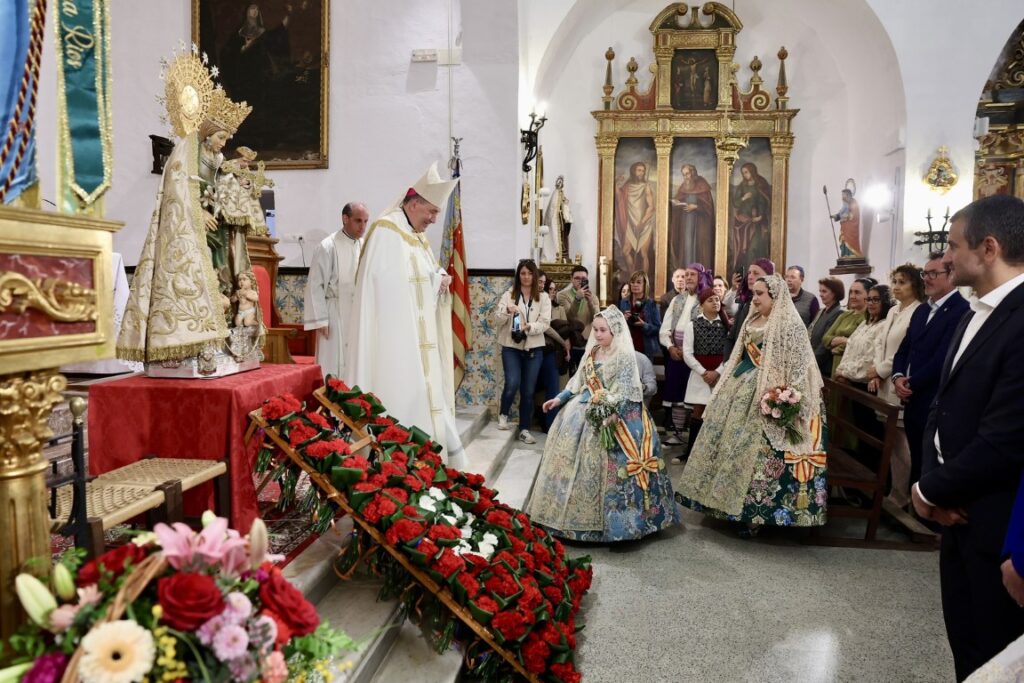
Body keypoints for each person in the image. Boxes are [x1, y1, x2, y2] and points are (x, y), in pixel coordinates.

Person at [910, 196, 1024, 680]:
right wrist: (933, 490)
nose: (945, 257)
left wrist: (925, 491)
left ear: (990, 247)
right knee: (966, 645)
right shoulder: (971, 311)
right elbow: (943, 408)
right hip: (954, 515)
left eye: (954, 246)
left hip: (995, 522)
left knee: (993, 653)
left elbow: (1006, 439)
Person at [118, 61, 265, 374]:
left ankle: (225, 337)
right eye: (222, 137)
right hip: (193, 227)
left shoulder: (217, 157)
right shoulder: (186, 152)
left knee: (224, 273)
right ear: (209, 131)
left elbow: (221, 183)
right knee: (202, 276)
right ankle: (197, 343)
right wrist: (197, 211)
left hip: (217, 224)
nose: (224, 143)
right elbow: (177, 188)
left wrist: (239, 184)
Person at [675, 274, 827, 536]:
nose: (754, 299)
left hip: (769, 390)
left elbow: (801, 365)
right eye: (754, 293)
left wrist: (785, 396)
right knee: (727, 442)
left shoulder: (789, 324)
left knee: (752, 448)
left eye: (760, 294)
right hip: (740, 386)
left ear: (775, 296)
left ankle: (756, 513)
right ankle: (720, 501)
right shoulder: (753, 319)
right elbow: (739, 354)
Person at [524, 307, 681, 542]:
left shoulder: (624, 357)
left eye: (602, 330)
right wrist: (559, 398)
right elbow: (579, 381)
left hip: (617, 414)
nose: (597, 335)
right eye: (595, 330)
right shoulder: (593, 352)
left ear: (615, 330)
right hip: (582, 409)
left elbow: (627, 391)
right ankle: (565, 517)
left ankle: (624, 524)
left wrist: (612, 413)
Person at [347, 162, 465, 467]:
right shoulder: (387, 232)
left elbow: (423, 273)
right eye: (432, 212)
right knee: (399, 397)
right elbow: (389, 289)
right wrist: (431, 281)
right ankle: (397, 462)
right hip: (396, 341)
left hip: (419, 340)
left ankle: (427, 459)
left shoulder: (414, 234)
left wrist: (438, 277)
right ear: (414, 204)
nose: (434, 219)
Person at [891, 253, 969, 498]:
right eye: (925, 273)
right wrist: (898, 376)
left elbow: (943, 358)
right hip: (912, 396)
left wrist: (910, 383)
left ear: (952, 276)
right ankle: (916, 510)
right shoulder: (922, 310)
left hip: (934, 397)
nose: (927, 278)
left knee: (929, 459)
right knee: (915, 454)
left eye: (934, 273)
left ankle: (927, 517)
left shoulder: (961, 310)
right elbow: (905, 348)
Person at [869, 264, 925, 508]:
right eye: (894, 281)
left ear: (915, 285)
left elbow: (906, 350)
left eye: (902, 282)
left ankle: (903, 496)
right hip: (882, 383)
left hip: (898, 381)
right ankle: (894, 490)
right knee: (890, 442)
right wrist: (875, 371)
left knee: (901, 442)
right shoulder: (893, 311)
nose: (896, 287)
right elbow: (880, 344)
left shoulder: (918, 311)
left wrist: (881, 370)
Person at [303, 202, 368, 379]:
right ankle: (331, 404)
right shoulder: (327, 246)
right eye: (358, 221)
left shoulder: (364, 246)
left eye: (365, 221)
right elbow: (315, 285)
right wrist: (321, 319)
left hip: (356, 313)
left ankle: (355, 402)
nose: (362, 227)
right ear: (345, 218)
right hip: (333, 314)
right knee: (332, 362)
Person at [833, 284, 895, 471]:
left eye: (876, 299)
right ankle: (859, 475)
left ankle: (872, 480)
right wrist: (842, 369)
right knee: (859, 434)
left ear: (885, 302)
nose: (871, 303)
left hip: (868, 387)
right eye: (869, 299)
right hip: (853, 385)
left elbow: (869, 361)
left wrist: (845, 372)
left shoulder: (884, 325)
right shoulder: (866, 323)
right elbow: (851, 348)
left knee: (871, 435)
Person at [495, 259, 551, 444]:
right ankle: (503, 414)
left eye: (529, 273)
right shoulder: (509, 295)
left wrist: (529, 327)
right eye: (522, 273)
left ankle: (524, 429)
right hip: (511, 347)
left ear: (534, 275)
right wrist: (507, 311)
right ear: (518, 275)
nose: (526, 277)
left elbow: (544, 323)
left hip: (533, 349)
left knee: (528, 391)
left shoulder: (543, 298)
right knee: (512, 382)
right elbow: (497, 320)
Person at [658, 264, 706, 445]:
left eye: (692, 275)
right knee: (676, 394)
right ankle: (677, 433)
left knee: (694, 395)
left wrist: (688, 352)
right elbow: (665, 328)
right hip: (677, 354)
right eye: (686, 275)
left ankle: (695, 437)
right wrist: (670, 347)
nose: (689, 278)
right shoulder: (677, 300)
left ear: (701, 277)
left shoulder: (706, 299)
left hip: (696, 355)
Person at [680, 288, 730, 459]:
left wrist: (717, 372)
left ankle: (715, 454)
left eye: (717, 299)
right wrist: (704, 372)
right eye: (710, 300)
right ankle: (691, 453)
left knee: (719, 412)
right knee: (698, 411)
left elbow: (731, 353)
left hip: (720, 374)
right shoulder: (693, 325)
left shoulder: (727, 326)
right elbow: (687, 352)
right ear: (701, 305)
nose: (715, 302)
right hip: (700, 375)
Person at [538, 276, 573, 433]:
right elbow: (546, 328)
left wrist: (567, 348)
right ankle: (543, 420)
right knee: (540, 388)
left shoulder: (559, 309)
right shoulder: (540, 305)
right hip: (542, 347)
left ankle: (552, 423)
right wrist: (561, 341)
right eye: (549, 289)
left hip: (556, 351)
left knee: (556, 386)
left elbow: (566, 330)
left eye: (554, 289)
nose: (552, 292)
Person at [821, 277, 876, 377]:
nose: (852, 296)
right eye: (851, 292)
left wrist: (841, 343)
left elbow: (858, 344)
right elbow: (825, 338)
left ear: (868, 295)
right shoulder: (845, 315)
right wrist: (845, 340)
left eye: (857, 292)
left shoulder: (867, 318)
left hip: (852, 368)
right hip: (836, 364)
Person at [723, 258, 775, 360]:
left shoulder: (774, 308)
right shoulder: (744, 305)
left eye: (756, 273)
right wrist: (727, 362)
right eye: (749, 273)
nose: (750, 276)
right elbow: (731, 338)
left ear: (768, 278)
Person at [669, 163, 715, 268]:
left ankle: (699, 271)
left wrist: (696, 207)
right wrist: (677, 202)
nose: (685, 177)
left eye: (687, 174)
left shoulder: (702, 184)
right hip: (686, 223)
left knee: (698, 247)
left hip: (700, 224)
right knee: (687, 246)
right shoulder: (684, 186)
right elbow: (680, 200)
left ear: (693, 173)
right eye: (683, 174)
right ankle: (686, 269)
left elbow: (709, 207)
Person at [729, 163, 772, 275]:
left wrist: (761, 216)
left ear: (752, 171)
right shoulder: (742, 186)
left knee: (754, 248)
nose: (745, 175)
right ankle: (746, 277)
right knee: (743, 250)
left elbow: (766, 201)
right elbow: (735, 203)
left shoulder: (761, 183)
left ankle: (758, 275)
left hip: (758, 222)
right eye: (743, 173)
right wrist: (744, 198)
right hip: (743, 221)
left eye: (746, 172)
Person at [614, 161, 656, 275]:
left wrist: (642, 223)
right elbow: (619, 198)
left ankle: (644, 281)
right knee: (625, 251)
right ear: (633, 171)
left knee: (643, 254)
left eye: (643, 170)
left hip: (644, 224)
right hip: (630, 223)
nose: (641, 173)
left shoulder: (646, 187)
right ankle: (633, 276)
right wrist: (616, 183)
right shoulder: (627, 187)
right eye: (639, 170)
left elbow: (651, 207)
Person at [618, 270, 662, 360]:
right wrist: (623, 319)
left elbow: (658, 328)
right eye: (632, 282)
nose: (635, 285)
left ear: (645, 284)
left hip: (646, 347)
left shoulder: (651, 304)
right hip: (627, 346)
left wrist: (644, 325)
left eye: (638, 282)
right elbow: (617, 327)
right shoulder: (623, 302)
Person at [808, 277, 845, 379]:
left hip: (823, 367)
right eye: (820, 291)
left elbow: (825, 344)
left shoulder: (838, 312)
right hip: (812, 360)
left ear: (835, 293)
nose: (820, 294)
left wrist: (810, 364)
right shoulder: (821, 311)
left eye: (824, 291)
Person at [558, 265, 599, 341]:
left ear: (587, 279)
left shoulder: (593, 297)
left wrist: (590, 302)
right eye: (577, 278)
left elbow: (597, 318)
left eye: (583, 279)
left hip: (589, 338)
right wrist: (577, 299)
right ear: (571, 279)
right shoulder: (562, 295)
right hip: (571, 338)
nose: (580, 281)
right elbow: (568, 317)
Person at [832, 188, 863, 259]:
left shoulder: (854, 203)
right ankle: (844, 254)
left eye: (844, 195)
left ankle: (852, 254)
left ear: (848, 195)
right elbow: (842, 213)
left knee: (850, 240)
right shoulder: (846, 203)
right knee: (844, 239)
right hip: (845, 227)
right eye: (842, 195)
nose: (842, 197)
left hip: (851, 227)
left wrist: (847, 216)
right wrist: (836, 216)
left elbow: (854, 214)